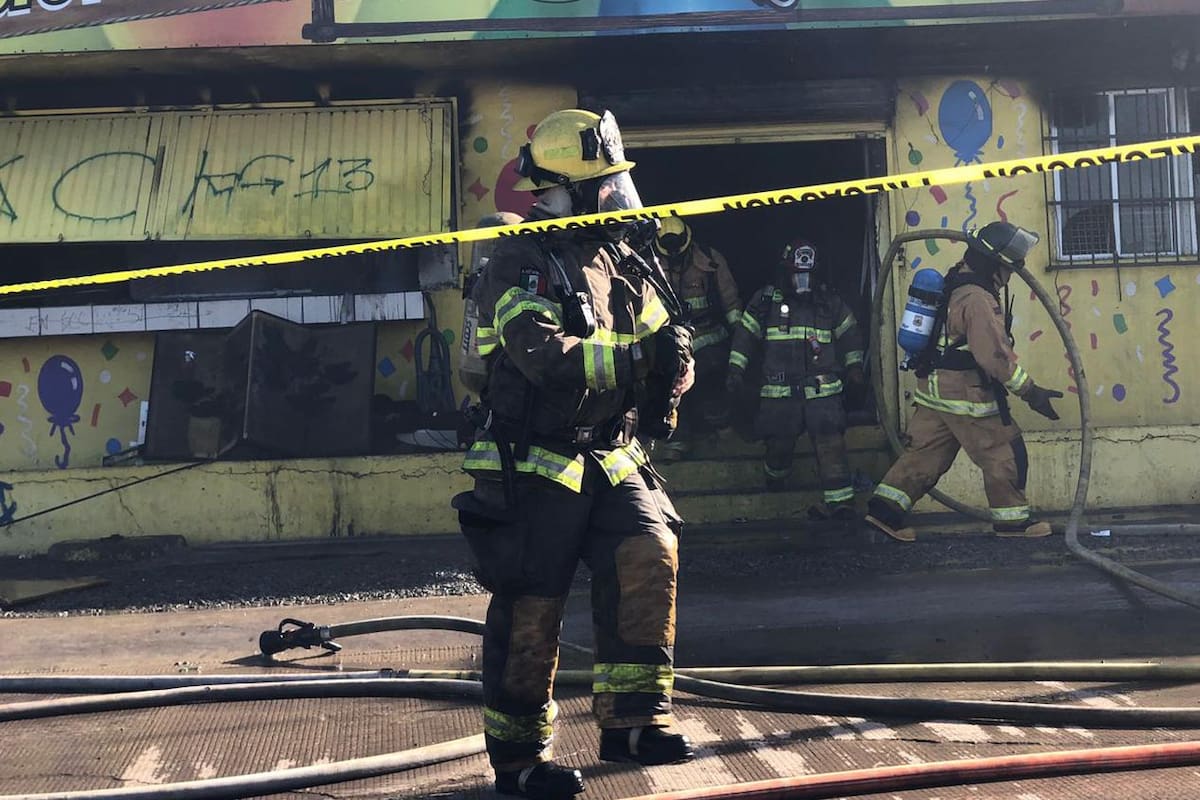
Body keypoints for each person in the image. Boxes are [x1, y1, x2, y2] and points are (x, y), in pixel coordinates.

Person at [452, 108, 696, 800]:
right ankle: (521, 761)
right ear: (569, 190)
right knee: (534, 605)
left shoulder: (618, 258)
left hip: (612, 454)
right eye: (607, 186)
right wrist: (636, 360)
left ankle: (635, 722)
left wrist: (676, 368)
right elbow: (541, 356)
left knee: (649, 556)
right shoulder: (519, 258)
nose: (620, 198)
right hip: (538, 459)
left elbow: (661, 336)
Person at [865, 220, 1063, 543]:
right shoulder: (978, 300)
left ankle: (884, 512)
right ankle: (1012, 522)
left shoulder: (953, 281)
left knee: (925, 455)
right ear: (993, 265)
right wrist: (1031, 392)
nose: (1010, 276)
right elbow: (994, 357)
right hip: (965, 396)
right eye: (1007, 269)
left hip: (934, 391)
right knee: (1003, 450)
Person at [726, 238, 866, 519]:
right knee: (779, 446)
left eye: (809, 275)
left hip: (822, 394)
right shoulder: (765, 302)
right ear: (785, 272)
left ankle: (841, 507)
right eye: (798, 274)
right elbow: (745, 336)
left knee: (831, 446)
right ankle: (775, 477)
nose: (803, 281)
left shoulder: (831, 303)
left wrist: (855, 368)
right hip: (779, 394)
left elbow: (850, 335)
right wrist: (735, 370)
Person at [652, 217, 743, 459]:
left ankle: (725, 431)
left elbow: (731, 301)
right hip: (672, 340)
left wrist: (740, 340)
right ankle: (677, 439)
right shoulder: (652, 266)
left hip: (710, 335)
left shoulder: (710, 261)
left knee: (709, 375)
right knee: (668, 378)